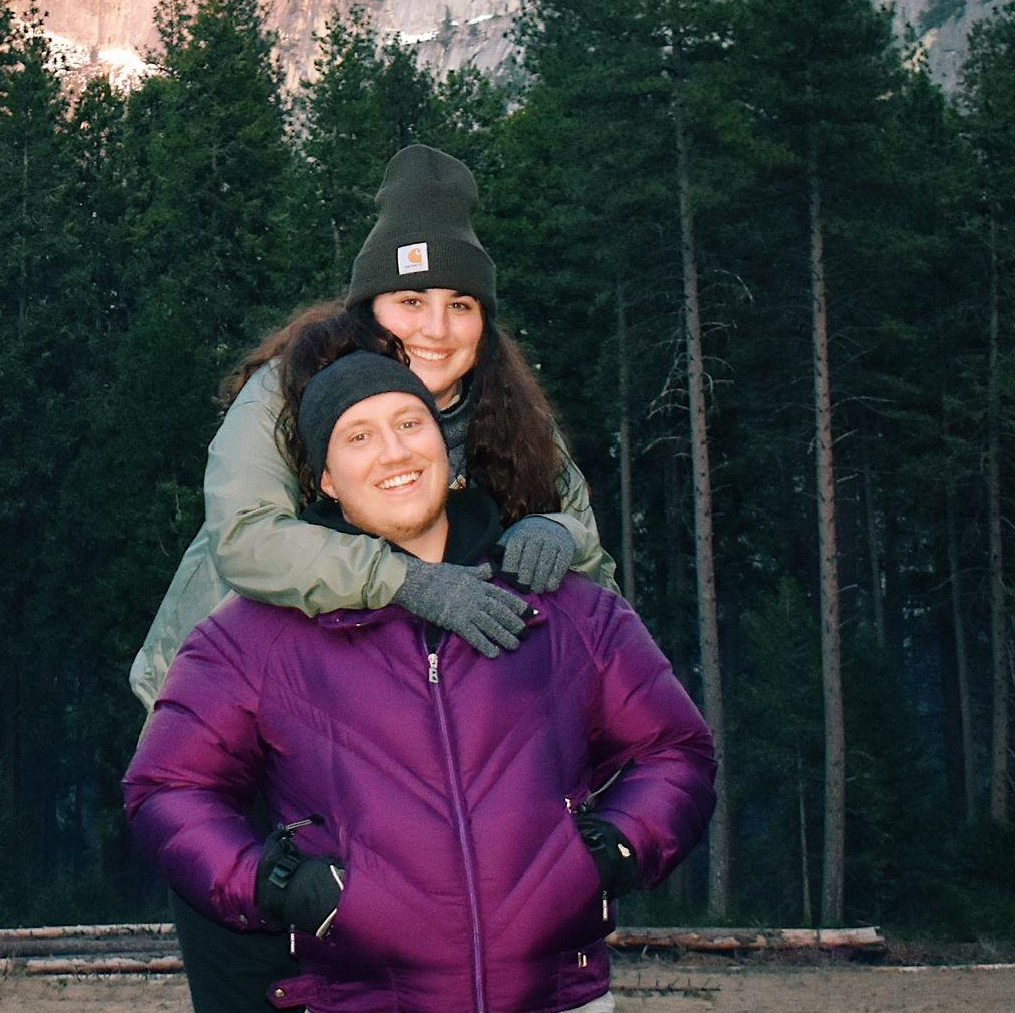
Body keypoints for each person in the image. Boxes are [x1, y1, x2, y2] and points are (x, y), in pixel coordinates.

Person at [130, 144, 619, 1012]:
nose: (435, 327)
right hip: (237, 741)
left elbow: (594, 575)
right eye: (409, 300)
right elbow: (245, 537)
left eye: (460, 304)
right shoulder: (292, 390)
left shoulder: (507, 416)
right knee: (255, 965)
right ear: (368, 308)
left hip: (384, 769)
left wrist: (558, 532)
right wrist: (401, 579)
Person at [125, 346, 715, 1013]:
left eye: (410, 424)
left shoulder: (568, 608)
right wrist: (277, 883)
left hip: (560, 999)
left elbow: (675, 750)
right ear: (325, 481)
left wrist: (614, 850)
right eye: (358, 437)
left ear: (447, 452)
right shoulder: (252, 637)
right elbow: (168, 788)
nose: (393, 452)